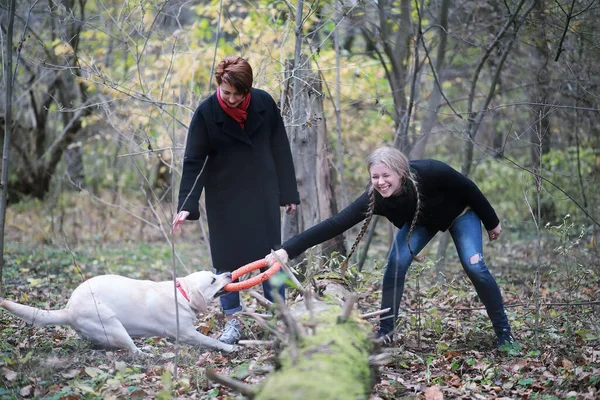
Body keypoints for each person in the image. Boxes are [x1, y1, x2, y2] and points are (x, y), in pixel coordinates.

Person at [266, 146, 515, 349]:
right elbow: (335, 224)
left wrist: (491, 221)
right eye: (375, 177)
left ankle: (504, 333)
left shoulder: (431, 171)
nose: (381, 182)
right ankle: (387, 330)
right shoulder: (374, 198)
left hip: (462, 214)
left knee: (475, 266)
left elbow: (468, 187)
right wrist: (288, 250)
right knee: (395, 263)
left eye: (386, 176)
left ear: (401, 173)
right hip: (422, 223)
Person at [173, 56, 300, 345]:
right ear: (219, 85)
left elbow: (280, 147)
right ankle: (233, 322)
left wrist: (288, 192)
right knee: (226, 263)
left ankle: (279, 319)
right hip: (225, 198)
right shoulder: (206, 112)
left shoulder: (265, 104)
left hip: (262, 193)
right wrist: (186, 205)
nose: (230, 99)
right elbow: (195, 161)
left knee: (271, 257)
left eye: (237, 94)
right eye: (225, 92)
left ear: (248, 90)